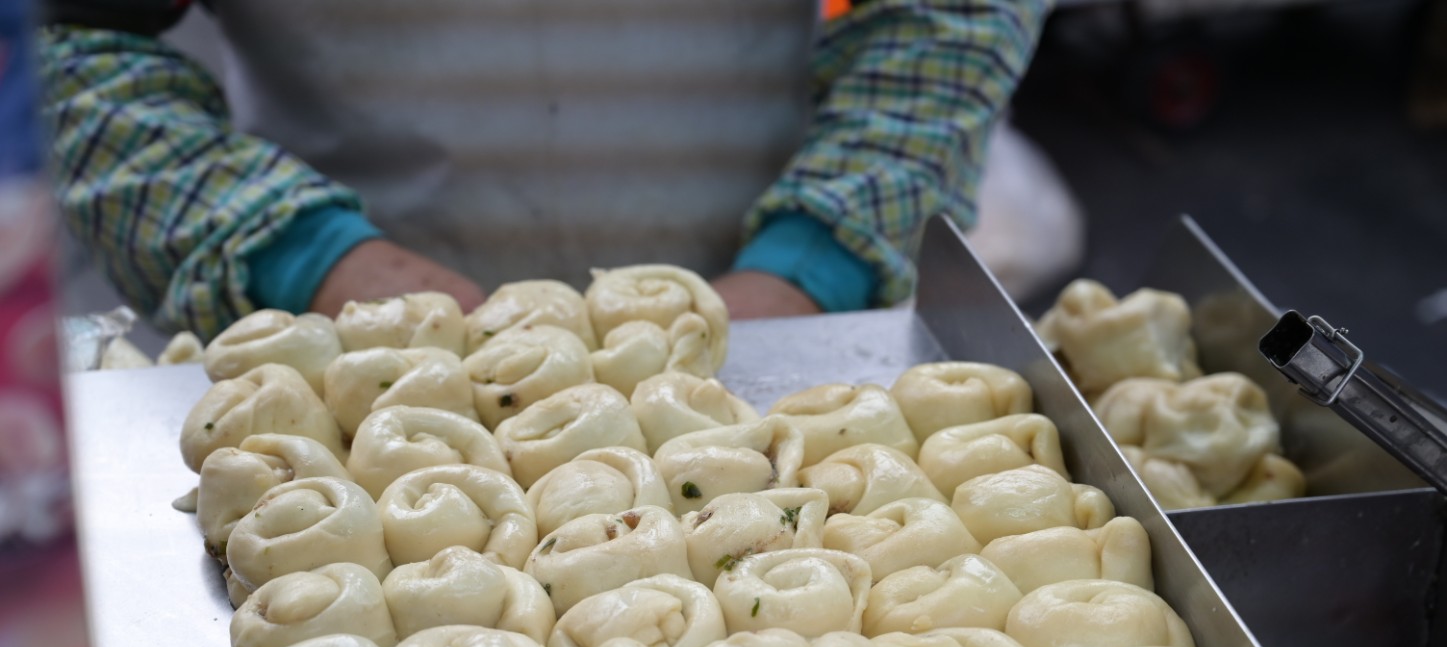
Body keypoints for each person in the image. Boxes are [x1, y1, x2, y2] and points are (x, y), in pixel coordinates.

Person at [38, 0, 1050, 340]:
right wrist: (291, 249)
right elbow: (57, 39)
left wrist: (820, 258)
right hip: (323, 331)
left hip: (776, 316)